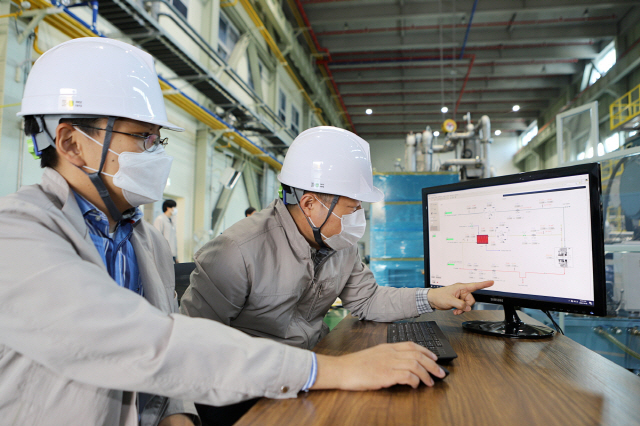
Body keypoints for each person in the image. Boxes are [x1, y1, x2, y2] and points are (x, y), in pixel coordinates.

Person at [0, 37, 458, 426]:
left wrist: (178, 414)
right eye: (143, 137)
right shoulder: (18, 235)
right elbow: (148, 343)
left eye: (157, 140)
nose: (157, 154)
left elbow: (169, 349)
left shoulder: (148, 243)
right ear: (70, 142)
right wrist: (330, 370)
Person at [180, 127, 494, 422]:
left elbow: (368, 300)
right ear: (309, 204)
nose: (359, 219)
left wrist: (431, 297)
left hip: (315, 371)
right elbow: (193, 349)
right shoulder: (237, 252)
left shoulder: (338, 243)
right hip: (250, 392)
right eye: (351, 208)